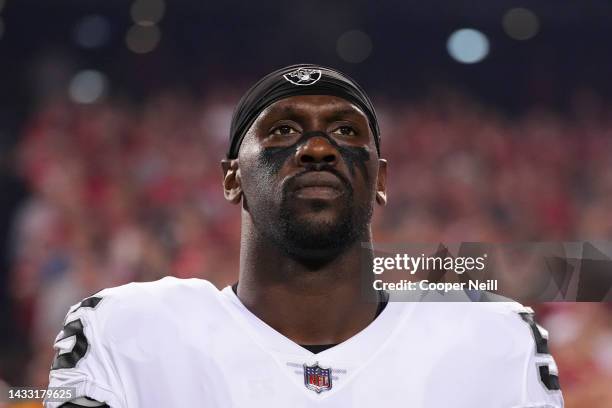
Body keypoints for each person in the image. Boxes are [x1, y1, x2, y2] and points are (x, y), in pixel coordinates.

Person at [45, 64, 564, 407]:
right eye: (283, 131)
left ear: (381, 179)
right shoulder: (126, 329)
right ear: (232, 178)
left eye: (345, 131)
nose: (318, 149)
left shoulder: (495, 340)